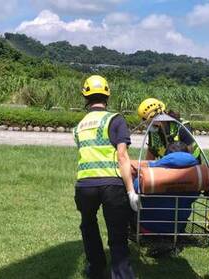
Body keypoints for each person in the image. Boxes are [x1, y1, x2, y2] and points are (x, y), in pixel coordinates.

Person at [73, 75, 138, 279]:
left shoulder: (80, 125)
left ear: (86, 96)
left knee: (88, 225)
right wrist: (130, 191)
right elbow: (122, 156)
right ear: (107, 95)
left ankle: (95, 268)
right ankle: (121, 274)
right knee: (117, 232)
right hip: (112, 184)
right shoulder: (115, 119)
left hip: (85, 185)